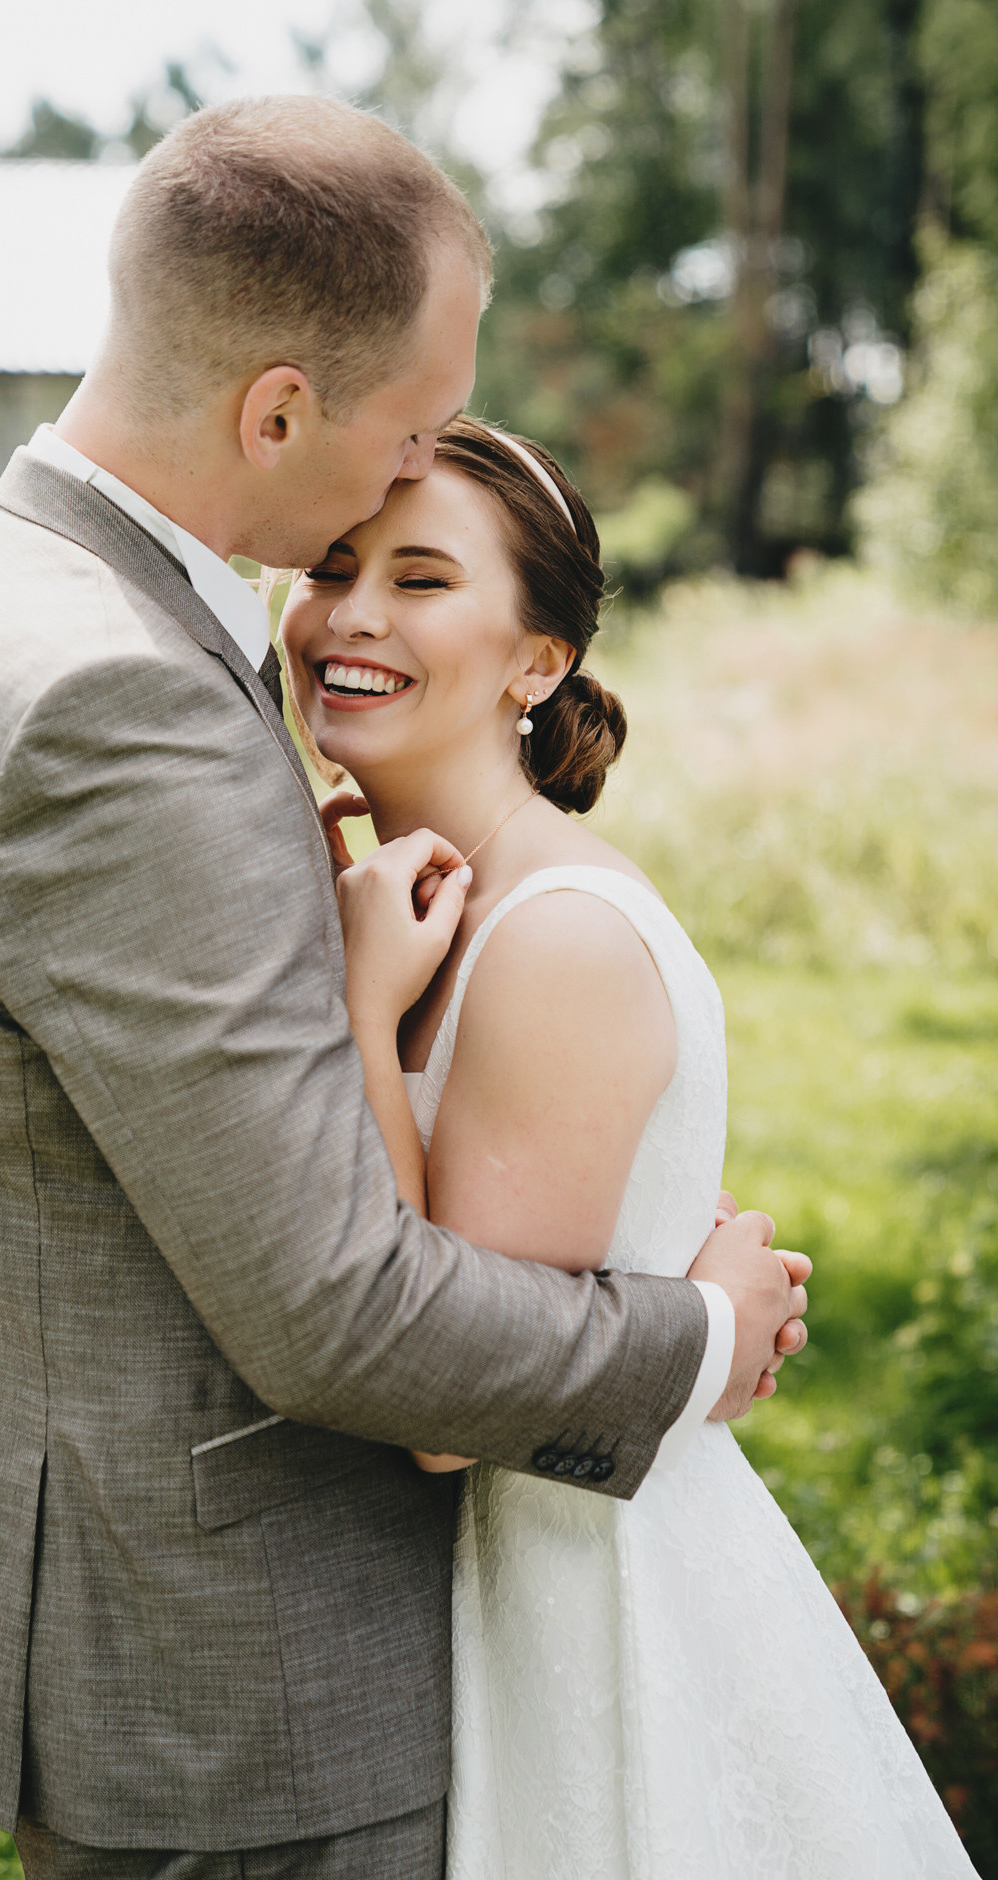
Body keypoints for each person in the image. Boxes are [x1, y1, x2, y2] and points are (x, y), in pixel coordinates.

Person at [0, 98, 808, 1880]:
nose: (401, 481)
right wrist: (708, 1337)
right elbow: (348, 1320)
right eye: (410, 432)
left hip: (170, 1615)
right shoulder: (123, 704)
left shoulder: (8, 585)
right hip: (244, 1678)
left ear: (540, 660)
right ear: (280, 408)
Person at [279, 412, 977, 1878]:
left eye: (420, 579)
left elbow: (447, 1405)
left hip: (589, 1601)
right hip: (472, 1593)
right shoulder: (406, 902)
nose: (349, 613)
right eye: (334, 564)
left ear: (539, 662)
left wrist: (356, 1010)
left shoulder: (558, 940)